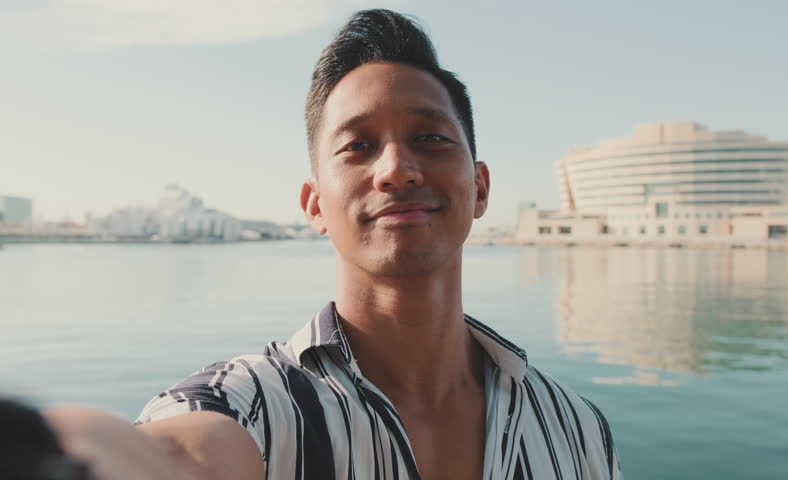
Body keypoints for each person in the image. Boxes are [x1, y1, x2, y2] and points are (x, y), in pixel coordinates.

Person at [46, 8, 621, 480]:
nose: (397, 169)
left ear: (480, 187)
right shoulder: (255, 408)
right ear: (315, 205)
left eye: (430, 137)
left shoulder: (576, 428)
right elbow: (174, 454)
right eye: (358, 146)